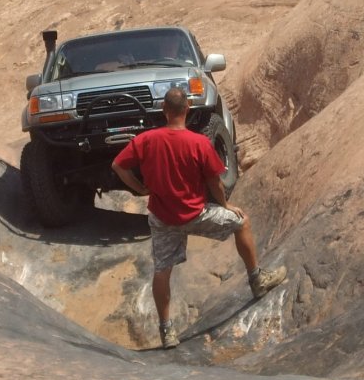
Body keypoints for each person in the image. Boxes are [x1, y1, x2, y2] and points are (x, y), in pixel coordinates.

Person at [112, 87, 286, 349]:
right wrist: (225, 205)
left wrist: (138, 188)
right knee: (242, 222)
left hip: (162, 218)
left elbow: (117, 165)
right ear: (187, 111)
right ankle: (257, 279)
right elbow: (214, 181)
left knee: (162, 270)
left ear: (164, 111)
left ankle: (167, 331)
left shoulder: (146, 140)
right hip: (197, 214)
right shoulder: (199, 143)